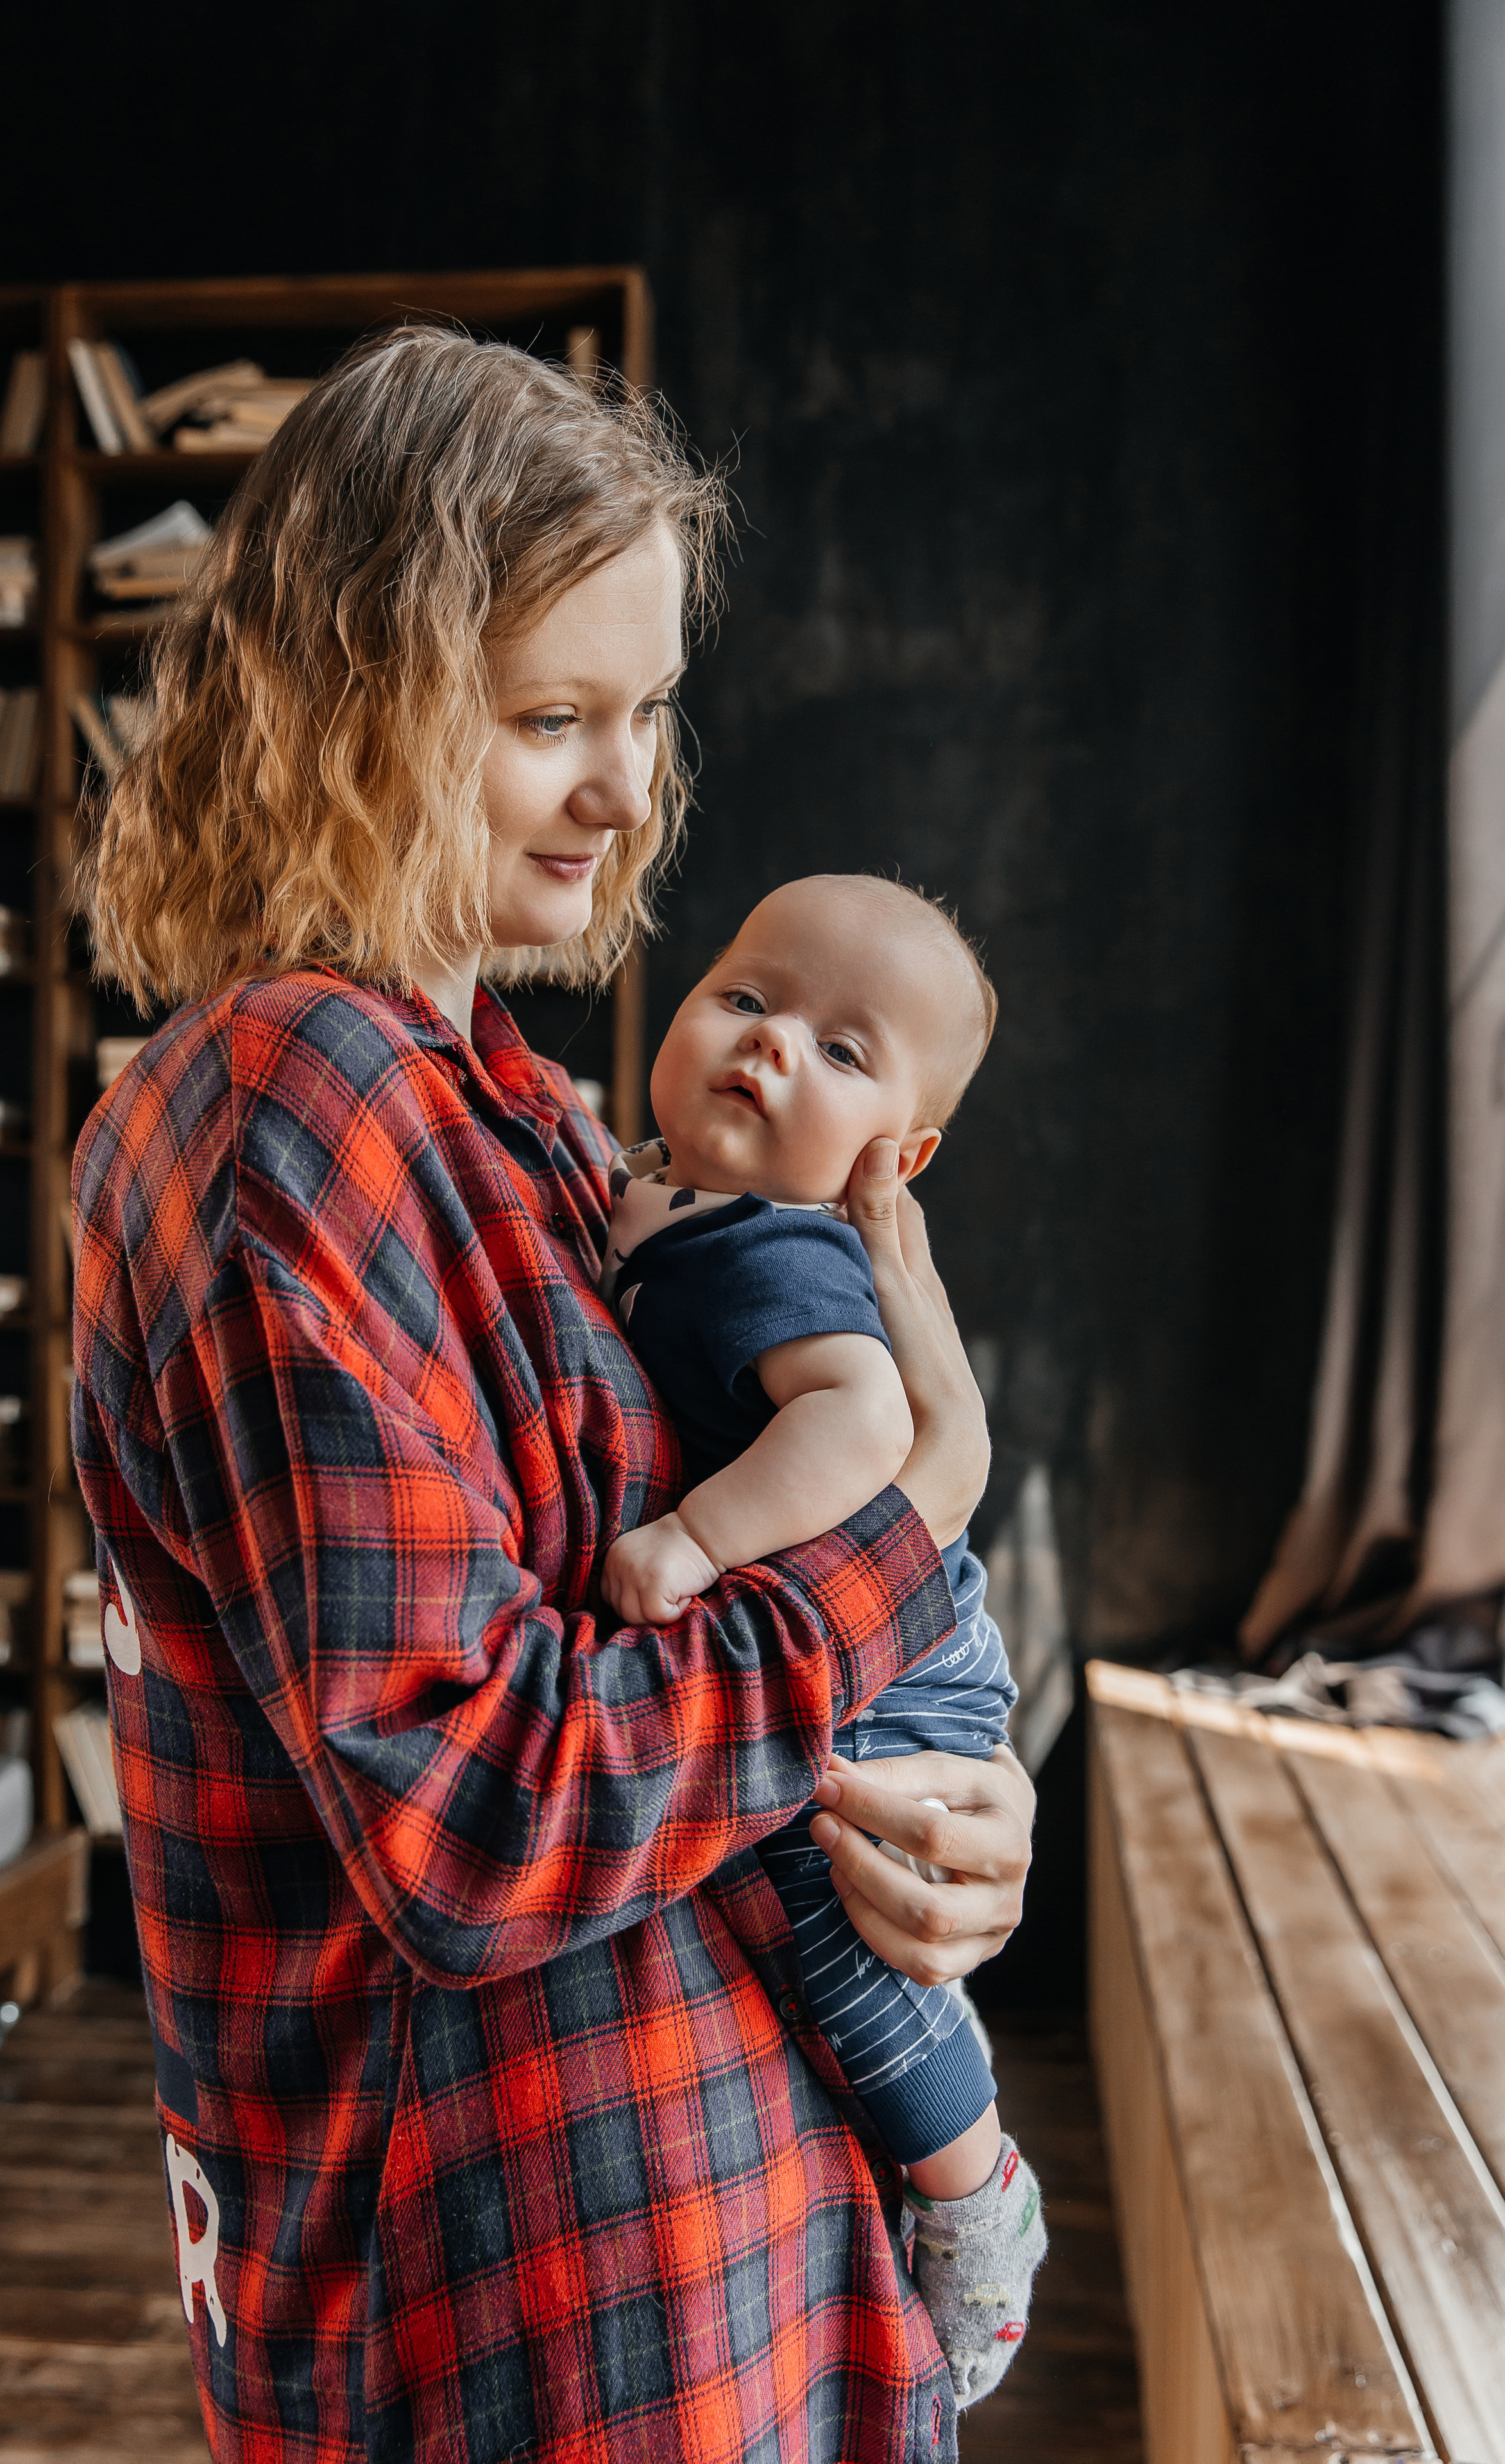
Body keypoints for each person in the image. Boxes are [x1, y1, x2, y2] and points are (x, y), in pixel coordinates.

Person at [71, 324, 1035, 2464]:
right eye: (550, 720)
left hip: (730, 2264)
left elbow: (708, 1664)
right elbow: (470, 1818)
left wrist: (946, 1816)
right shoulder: (281, 1113)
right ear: (360, 704)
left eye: (648, 713)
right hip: (543, 2346)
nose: (626, 790)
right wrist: (884, 1574)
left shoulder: (517, 1109)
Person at [599, 873, 1047, 2400]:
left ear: (898, 1160)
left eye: (842, 1051)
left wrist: (693, 1540)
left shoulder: (773, 1247)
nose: (772, 1045)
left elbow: (867, 1428)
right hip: (863, 1627)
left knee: (835, 1928)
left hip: (902, 1662)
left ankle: (973, 2194)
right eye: (744, 995)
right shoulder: (654, 1188)